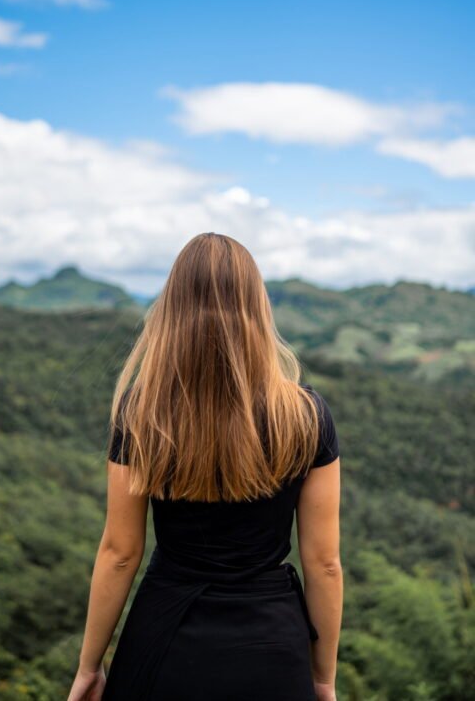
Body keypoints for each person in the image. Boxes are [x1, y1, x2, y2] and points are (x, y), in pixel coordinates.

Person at [67, 232, 343, 701]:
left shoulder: (142, 412)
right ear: (258, 308)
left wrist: (89, 668)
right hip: (274, 649)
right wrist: (322, 679)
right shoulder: (305, 415)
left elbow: (119, 552)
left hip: (163, 640)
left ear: (171, 309)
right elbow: (324, 564)